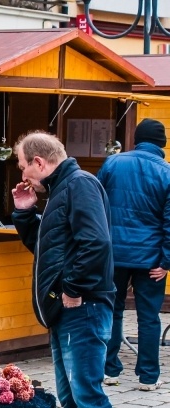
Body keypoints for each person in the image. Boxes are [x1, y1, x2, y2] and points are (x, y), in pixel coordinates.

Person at [11, 131, 138, 408]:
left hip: (82, 309)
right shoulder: (59, 191)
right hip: (65, 312)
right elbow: (49, 249)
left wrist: (73, 287)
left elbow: (96, 242)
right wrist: (23, 212)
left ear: (38, 161)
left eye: (22, 166)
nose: (22, 174)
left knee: (88, 396)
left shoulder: (79, 185)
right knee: (73, 400)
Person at [97, 118, 170, 391]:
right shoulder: (166, 172)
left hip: (113, 255)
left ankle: (109, 370)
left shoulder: (113, 163)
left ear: (137, 139)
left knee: (111, 311)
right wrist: (166, 261)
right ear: (162, 144)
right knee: (148, 317)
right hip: (151, 259)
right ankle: (148, 377)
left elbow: (96, 204)